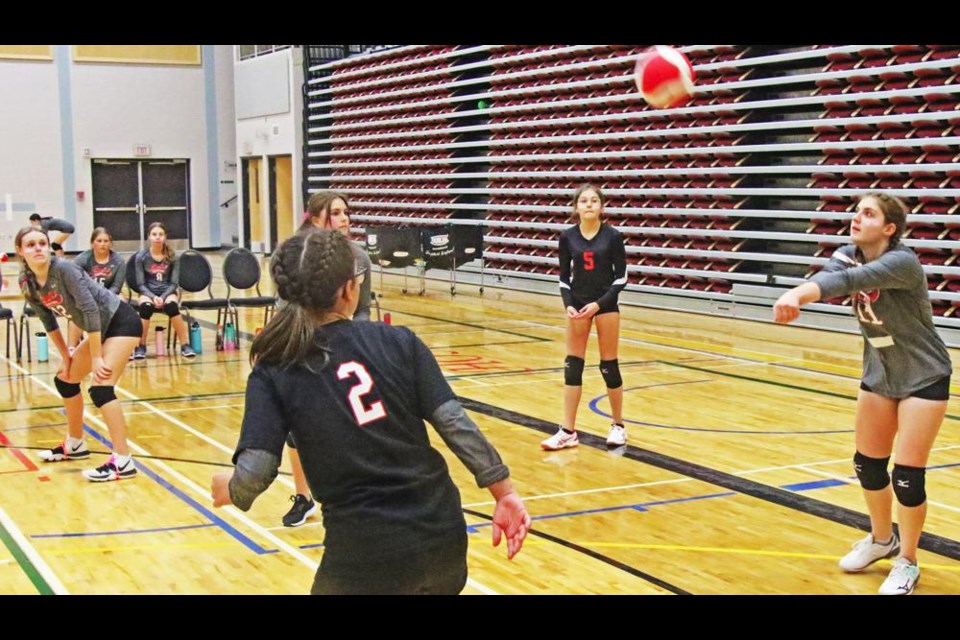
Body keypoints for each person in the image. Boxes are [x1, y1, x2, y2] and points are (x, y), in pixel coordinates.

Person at [211, 230, 530, 594]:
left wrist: (232, 490)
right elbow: (456, 424)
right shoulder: (400, 341)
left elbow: (256, 472)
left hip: (363, 554)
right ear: (350, 290)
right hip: (441, 538)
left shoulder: (275, 365)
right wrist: (504, 493)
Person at [773, 192, 951, 595]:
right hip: (879, 374)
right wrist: (803, 291)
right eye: (856, 212)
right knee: (867, 465)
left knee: (906, 476)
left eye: (868, 214)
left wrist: (797, 296)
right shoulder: (849, 252)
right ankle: (880, 539)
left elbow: (850, 282)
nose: (857, 219)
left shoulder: (902, 262)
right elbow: (831, 274)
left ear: (889, 228)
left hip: (923, 375)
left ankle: (907, 560)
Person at [16, 226, 142, 481]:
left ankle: (123, 460)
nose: (38, 248)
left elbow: (91, 311)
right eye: (31, 245)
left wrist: (95, 357)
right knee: (65, 379)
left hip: (121, 322)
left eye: (42, 243)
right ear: (20, 251)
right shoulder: (27, 282)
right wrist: (66, 356)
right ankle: (75, 444)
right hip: (99, 328)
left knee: (101, 388)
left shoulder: (64, 269)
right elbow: (48, 320)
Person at [280, 191, 373, 527]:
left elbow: (363, 309)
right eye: (336, 213)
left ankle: (356, 495)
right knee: (295, 427)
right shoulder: (298, 252)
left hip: (347, 348)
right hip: (306, 344)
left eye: (347, 212)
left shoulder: (359, 257)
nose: (345, 218)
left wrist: (352, 341)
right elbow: (286, 306)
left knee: (355, 423)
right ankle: (304, 497)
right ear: (317, 217)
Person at [541, 184, 628, 450]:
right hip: (578, 304)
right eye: (583, 201)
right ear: (576, 207)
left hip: (605, 304)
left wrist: (599, 305)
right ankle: (568, 431)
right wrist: (568, 304)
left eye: (594, 200)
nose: (589, 204)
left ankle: (618, 426)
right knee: (572, 365)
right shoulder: (567, 237)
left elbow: (621, 277)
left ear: (602, 207)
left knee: (608, 366)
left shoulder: (613, 236)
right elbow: (564, 277)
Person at [131, 222, 195, 359]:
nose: (157, 237)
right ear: (149, 237)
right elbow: (141, 284)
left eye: (160, 234)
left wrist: (165, 296)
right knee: (145, 308)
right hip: (148, 292)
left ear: (165, 237)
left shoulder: (173, 256)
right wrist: (153, 297)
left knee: (172, 307)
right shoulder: (141, 257)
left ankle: (185, 345)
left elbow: (174, 283)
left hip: (168, 291)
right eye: (154, 234)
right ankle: (141, 346)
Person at [69, 227, 125, 348]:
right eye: (99, 241)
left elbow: (117, 286)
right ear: (92, 243)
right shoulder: (82, 259)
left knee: (123, 302)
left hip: (109, 294)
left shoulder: (119, 261)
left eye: (106, 241)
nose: (102, 244)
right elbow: (74, 281)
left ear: (110, 243)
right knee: (76, 308)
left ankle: (121, 344)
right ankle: (72, 347)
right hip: (86, 295)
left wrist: (104, 298)